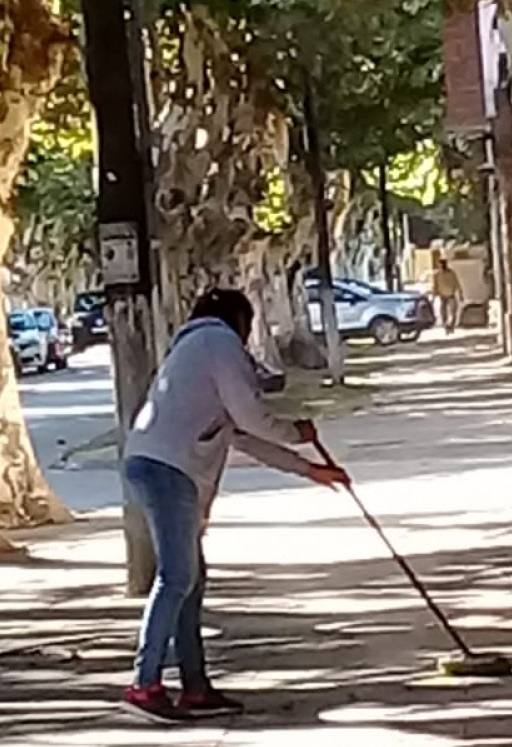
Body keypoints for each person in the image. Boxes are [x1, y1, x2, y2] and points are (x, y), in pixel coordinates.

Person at [121, 287, 350, 723]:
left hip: (161, 467)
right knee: (176, 578)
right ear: (237, 321)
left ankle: (195, 688)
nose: (247, 337)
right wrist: (295, 431)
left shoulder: (195, 352)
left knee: (191, 582)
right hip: (168, 470)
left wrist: (310, 470)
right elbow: (252, 417)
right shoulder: (217, 342)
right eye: (248, 326)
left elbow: (241, 436)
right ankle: (143, 684)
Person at [432, 257, 463, 335]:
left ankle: (451, 326)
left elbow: (457, 284)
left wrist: (461, 293)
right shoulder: (437, 275)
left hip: (450, 295)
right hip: (442, 296)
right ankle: (446, 327)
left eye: (440, 265)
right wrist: (434, 296)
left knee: (453, 312)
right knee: (443, 312)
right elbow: (435, 286)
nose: (439, 266)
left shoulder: (451, 273)